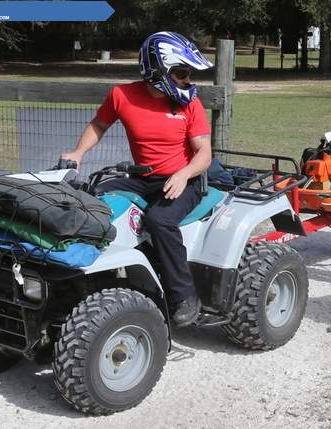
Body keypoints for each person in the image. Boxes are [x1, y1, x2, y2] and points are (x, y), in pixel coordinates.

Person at [62, 32, 213, 327]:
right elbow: (99, 124)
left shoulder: (189, 105)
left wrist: (183, 175)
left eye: (189, 74)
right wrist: (78, 152)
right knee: (93, 199)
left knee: (159, 220)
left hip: (186, 178)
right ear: (158, 71)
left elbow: (204, 154)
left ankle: (185, 296)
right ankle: (88, 279)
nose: (188, 80)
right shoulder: (122, 96)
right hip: (141, 176)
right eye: (181, 73)